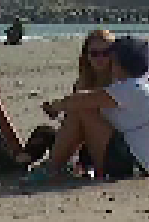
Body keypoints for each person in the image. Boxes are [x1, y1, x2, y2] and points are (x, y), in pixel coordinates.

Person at [31, 34, 149, 179]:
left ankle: (52, 168)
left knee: (82, 110)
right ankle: (61, 164)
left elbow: (82, 101)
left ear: (121, 64)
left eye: (111, 58)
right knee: (83, 110)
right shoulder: (143, 83)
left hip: (134, 168)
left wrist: (54, 107)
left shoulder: (132, 88)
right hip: (139, 164)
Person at [19, 27, 117, 163]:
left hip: (105, 143)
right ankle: (20, 164)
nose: (100, 58)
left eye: (105, 53)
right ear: (86, 56)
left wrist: (61, 107)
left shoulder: (117, 83)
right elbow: (71, 120)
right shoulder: (83, 82)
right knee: (43, 132)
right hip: (80, 139)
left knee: (81, 111)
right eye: (94, 53)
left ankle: (51, 167)